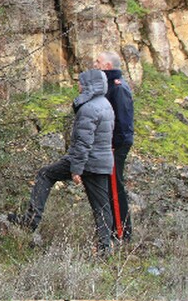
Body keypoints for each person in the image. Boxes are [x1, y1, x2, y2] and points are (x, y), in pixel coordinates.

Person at [8, 69, 115, 256]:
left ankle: (31, 220)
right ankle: (105, 249)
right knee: (102, 207)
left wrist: (76, 170)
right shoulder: (105, 104)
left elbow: (83, 143)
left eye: (81, 82)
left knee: (45, 174)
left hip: (86, 161)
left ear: (90, 85)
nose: (78, 85)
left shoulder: (89, 108)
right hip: (102, 163)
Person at [94, 50, 134, 242]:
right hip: (109, 146)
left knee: (115, 189)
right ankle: (113, 231)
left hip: (115, 147)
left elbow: (123, 122)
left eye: (98, 61)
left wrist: (113, 145)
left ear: (107, 66)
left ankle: (121, 235)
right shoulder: (108, 85)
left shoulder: (118, 88)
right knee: (109, 188)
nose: (95, 64)